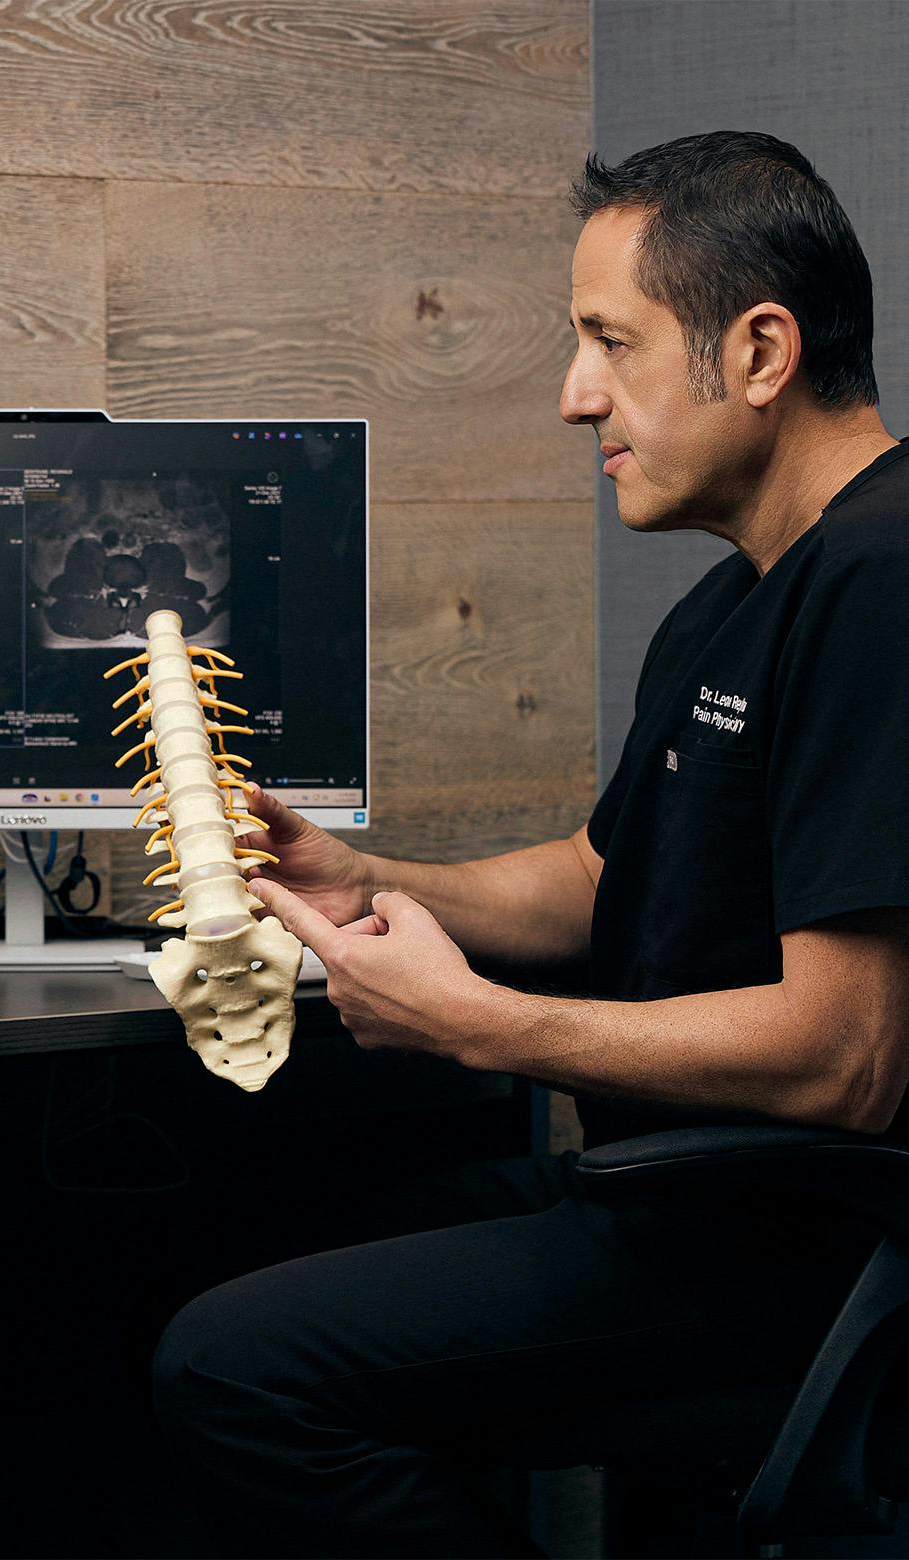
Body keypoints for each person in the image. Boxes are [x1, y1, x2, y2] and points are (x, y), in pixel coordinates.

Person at [153, 131, 909, 1556]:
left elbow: (847, 1054)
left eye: (610, 343)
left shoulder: (883, 579)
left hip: (797, 1245)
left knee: (234, 1370)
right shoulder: (737, 595)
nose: (575, 396)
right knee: (249, 1241)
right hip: (676, 1193)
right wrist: (364, 878)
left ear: (759, 352)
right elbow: (602, 877)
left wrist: (481, 1026)